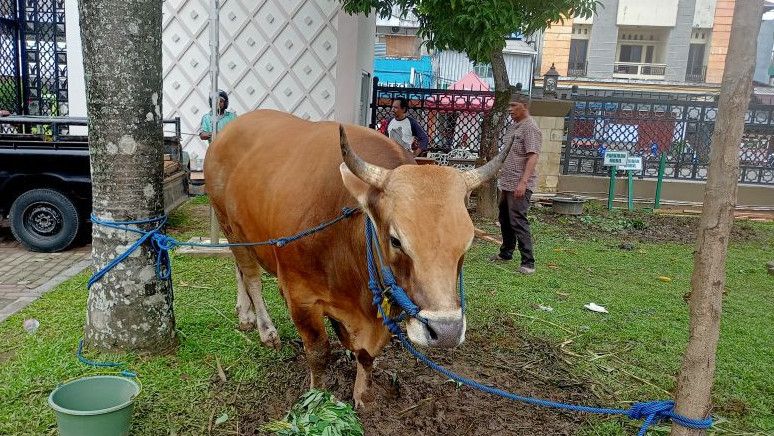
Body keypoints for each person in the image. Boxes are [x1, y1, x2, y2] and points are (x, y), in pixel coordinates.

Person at [490, 93, 541, 275]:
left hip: (520, 182)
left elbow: (533, 155)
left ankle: (528, 262)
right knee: (504, 218)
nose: (509, 109)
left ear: (524, 106)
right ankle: (506, 253)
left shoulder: (530, 128)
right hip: (507, 181)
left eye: (513, 106)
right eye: (509, 106)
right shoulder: (513, 127)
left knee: (518, 220)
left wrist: (523, 182)